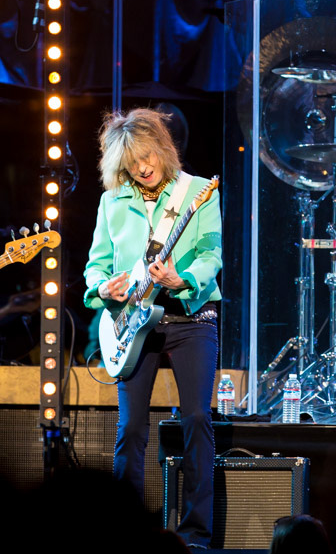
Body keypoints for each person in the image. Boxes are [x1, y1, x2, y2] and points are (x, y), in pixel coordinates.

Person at [83, 108, 222, 549]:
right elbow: (95, 267)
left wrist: (183, 280)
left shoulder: (197, 192)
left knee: (197, 417)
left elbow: (210, 253)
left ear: (162, 148)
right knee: (131, 429)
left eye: (148, 156)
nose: (143, 168)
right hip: (133, 322)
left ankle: (196, 534)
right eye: (132, 163)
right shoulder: (113, 202)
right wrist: (106, 287)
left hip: (189, 317)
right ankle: (127, 536)